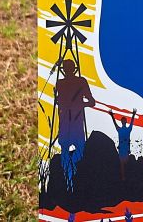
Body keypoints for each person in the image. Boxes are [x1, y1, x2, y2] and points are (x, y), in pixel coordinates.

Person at [53, 59, 95, 188]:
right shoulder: (80, 82)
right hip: (71, 122)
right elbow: (91, 102)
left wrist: (77, 104)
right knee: (76, 150)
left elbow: (91, 102)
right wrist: (80, 104)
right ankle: (73, 182)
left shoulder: (62, 83)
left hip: (70, 122)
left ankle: (71, 182)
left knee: (70, 150)